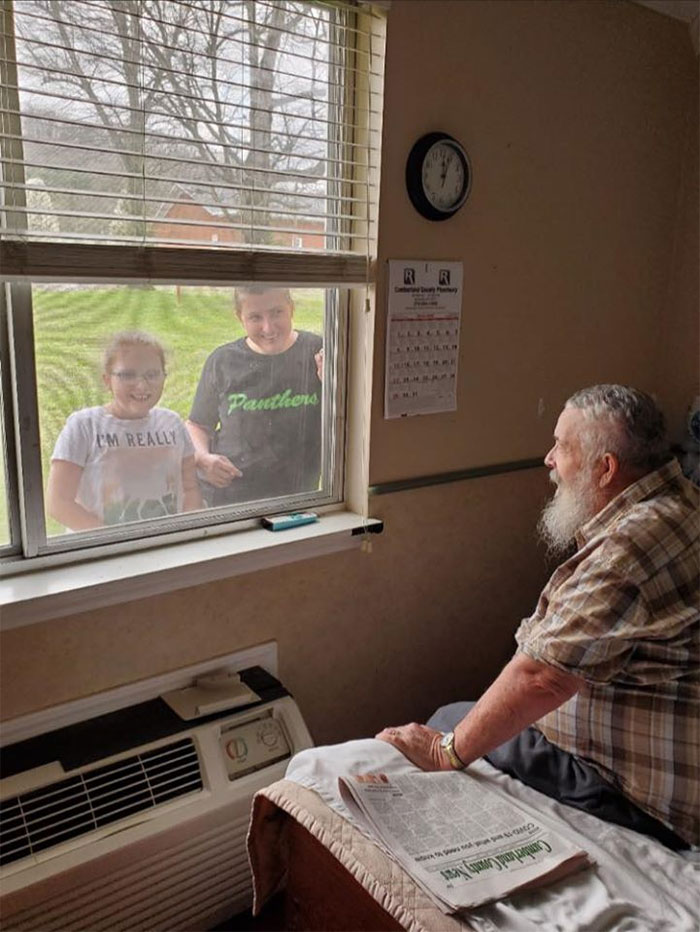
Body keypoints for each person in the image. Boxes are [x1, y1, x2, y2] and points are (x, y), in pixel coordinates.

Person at [376, 385, 699, 849]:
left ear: (605, 469)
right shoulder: (684, 498)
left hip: (639, 792)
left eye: (562, 447)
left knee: (449, 719)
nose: (549, 459)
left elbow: (542, 678)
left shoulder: (629, 547)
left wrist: (444, 750)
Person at [47, 331, 201, 530]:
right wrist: (112, 542)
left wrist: (184, 534)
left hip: (163, 547)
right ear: (107, 380)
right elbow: (58, 502)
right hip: (104, 553)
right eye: (127, 375)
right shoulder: (84, 426)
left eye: (152, 374)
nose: (142, 385)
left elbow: (190, 488)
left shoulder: (172, 423)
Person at [186, 286, 323, 506]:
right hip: (230, 496)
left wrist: (333, 383)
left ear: (292, 308)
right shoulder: (222, 361)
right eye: (255, 317)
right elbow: (197, 425)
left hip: (297, 498)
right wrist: (203, 459)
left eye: (277, 312)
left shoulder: (319, 353)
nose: (268, 328)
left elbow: (350, 420)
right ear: (240, 318)